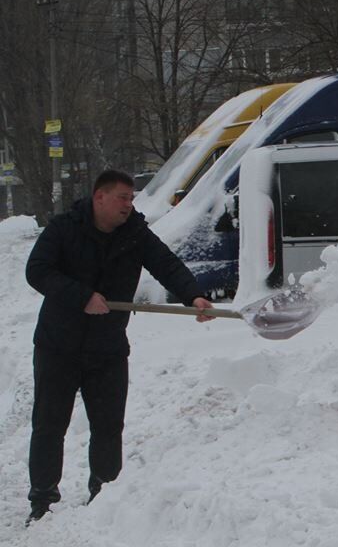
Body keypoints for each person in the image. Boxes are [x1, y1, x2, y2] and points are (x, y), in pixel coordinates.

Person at [24, 169, 216, 526]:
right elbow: (37, 271)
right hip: (58, 346)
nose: (130, 205)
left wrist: (194, 296)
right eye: (122, 198)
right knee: (50, 426)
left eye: (132, 199)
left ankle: (104, 496)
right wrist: (81, 297)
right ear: (100, 198)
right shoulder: (64, 228)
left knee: (108, 426)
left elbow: (166, 264)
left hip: (107, 347)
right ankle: (43, 501)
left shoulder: (135, 234)